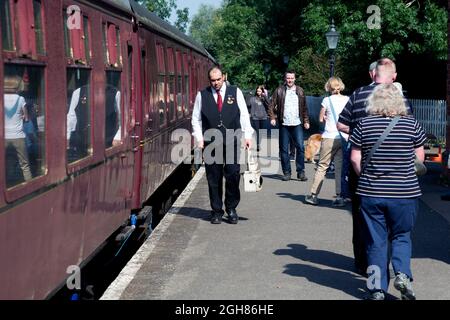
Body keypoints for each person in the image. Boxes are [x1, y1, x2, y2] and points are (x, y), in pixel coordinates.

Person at [337, 58, 413, 276]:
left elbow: (341, 123)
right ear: (394, 76)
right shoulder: (399, 98)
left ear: (373, 74)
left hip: (361, 165)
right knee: (395, 224)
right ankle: (394, 267)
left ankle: (364, 264)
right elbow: (410, 128)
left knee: (362, 216)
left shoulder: (358, 94)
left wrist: (359, 135)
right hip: (396, 171)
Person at [349, 84, 426, 300]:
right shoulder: (412, 125)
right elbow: (419, 159)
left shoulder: (364, 125)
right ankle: (402, 275)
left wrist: (366, 174)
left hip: (371, 192)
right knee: (402, 236)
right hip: (405, 193)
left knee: (375, 241)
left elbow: (355, 158)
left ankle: (376, 289)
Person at [191, 66, 253, 224]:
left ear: (223, 77)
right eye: (213, 80)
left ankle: (231, 208)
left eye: (218, 79)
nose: (216, 83)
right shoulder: (202, 95)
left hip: (232, 137)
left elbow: (244, 113)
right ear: (209, 80)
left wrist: (247, 135)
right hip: (211, 141)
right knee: (214, 177)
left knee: (233, 173)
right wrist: (199, 137)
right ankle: (216, 210)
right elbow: (196, 119)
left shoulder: (235, 91)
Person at [305, 77, 349, 206]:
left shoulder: (327, 100)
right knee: (339, 168)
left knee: (322, 166)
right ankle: (340, 197)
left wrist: (325, 117)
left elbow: (320, 119)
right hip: (342, 137)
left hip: (329, 136)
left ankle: (314, 195)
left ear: (329, 87)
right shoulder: (347, 100)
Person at [268, 70, 310, 181]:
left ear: (295, 79)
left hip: (297, 124)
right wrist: (272, 118)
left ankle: (300, 172)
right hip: (284, 124)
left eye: (292, 78)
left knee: (300, 148)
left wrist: (306, 121)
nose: (290, 80)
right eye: (288, 78)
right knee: (284, 150)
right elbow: (271, 105)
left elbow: (305, 107)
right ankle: (287, 172)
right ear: (285, 79)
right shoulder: (279, 90)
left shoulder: (300, 91)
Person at [4, 74, 32, 185]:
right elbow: (26, 119)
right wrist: (21, 116)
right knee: (24, 165)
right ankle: (29, 187)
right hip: (18, 136)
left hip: (4, 137)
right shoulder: (21, 99)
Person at [247, 85, 269, 152]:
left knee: (261, 132)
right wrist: (249, 96)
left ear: (262, 91)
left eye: (260, 91)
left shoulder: (264, 99)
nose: (258, 92)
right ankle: (258, 144)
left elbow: (269, 104)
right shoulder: (253, 98)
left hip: (264, 117)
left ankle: (259, 143)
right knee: (257, 132)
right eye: (257, 91)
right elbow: (248, 105)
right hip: (255, 118)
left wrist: (264, 96)